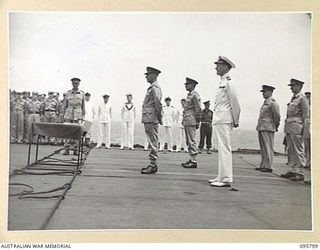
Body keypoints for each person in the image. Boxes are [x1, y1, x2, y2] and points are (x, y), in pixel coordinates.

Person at [209, 56, 240, 187]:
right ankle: (221, 175)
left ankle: (226, 178)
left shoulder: (229, 82)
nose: (216, 67)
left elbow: (235, 103)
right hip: (220, 119)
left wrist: (235, 119)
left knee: (225, 148)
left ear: (226, 67)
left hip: (225, 119)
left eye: (218, 65)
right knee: (221, 149)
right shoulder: (222, 82)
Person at [280, 79, 309, 181]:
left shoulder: (302, 98)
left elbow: (306, 115)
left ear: (299, 86)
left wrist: (304, 130)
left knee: (298, 150)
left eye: (293, 85)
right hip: (290, 126)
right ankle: (293, 170)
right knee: (291, 150)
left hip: (297, 127)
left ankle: (300, 172)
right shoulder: (293, 98)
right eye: (291, 86)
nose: (291, 87)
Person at [141, 67, 163, 174]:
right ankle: (152, 163)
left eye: (148, 74)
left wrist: (159, 118)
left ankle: (153, 164)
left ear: (154, 75)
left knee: (153, 141)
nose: (146, 76)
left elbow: (157, 104)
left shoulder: (155, 88)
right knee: (151, 140)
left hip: (151, 117)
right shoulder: (152, 88)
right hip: (148, 117)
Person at [255, 85, 281, 173]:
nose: (263, 93)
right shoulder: (266, 102)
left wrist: (276, 126)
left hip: (268, 127)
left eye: (264, 92)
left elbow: (277, 116)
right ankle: (263, 164)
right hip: (262, 127)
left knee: (268, 147)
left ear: (270, 92)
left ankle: (269, 166)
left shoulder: (273, 103)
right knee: (263, 147)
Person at [181, 77, 201, 168]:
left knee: (191, 140)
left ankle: (194, 161)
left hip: (191, 120)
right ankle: (191, 158)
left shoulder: (195, 95)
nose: (186, 86)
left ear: (193, 85)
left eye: (187, 84)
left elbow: (198, 109)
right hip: (187, 120)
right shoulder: (190, 95)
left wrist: (197, 121)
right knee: (188, 141)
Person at [63, 77, 86, 155]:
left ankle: (76, 148)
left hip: (78, 114)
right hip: (69, 114)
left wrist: (83, 116)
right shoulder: (68, 93)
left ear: (79, 84)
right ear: (72, 84)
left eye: (76, 83)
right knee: (68, 131)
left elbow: (83, 107)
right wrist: (63, 114)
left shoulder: (82, 94)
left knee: (76, 132)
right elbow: (64, 105)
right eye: (74, 83)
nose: (75, 85)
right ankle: (67, 148)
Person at [304, 91, 311, 170]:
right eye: (307, 97)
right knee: (306, 147)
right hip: (306, 128)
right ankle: (307, 162)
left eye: (309, 96)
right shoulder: (305, 107)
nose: (308, 98)